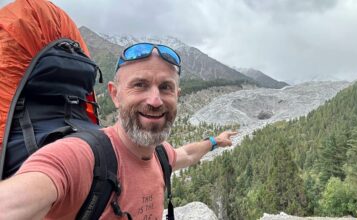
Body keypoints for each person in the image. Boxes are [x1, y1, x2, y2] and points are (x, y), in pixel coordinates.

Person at [0, 43, 237, 220]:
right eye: (139, 85)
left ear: (177, 95)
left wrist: (216, 141)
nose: (155, 100)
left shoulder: (161, 155)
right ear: (115, 94)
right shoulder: (81, 157)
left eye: (165, 87)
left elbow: (186, 154)